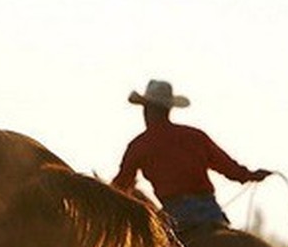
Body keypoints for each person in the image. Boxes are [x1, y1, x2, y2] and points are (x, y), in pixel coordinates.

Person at [111, 79, 270, 232]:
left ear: (147, 109)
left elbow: (121, 186)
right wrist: (251, 175)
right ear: (168, 109)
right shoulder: (195, 137)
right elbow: (230, 168)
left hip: (175, 214)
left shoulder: (140, 145)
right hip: (210, 210)